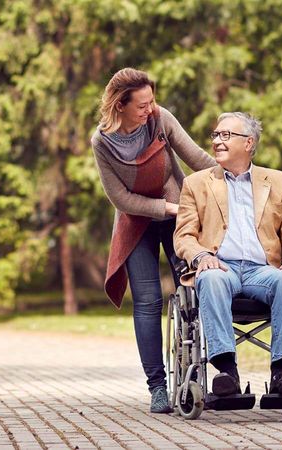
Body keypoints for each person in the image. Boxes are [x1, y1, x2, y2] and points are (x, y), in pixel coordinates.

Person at [91, 68, 215, 413]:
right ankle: (158, 388)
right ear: (120, 105)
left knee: (192, 290)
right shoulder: (102, 143)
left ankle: (201, 373)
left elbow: (197, 160)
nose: (150, 109)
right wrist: (168, 208)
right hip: (137, 220)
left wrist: (237, 178)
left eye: (151, 101)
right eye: (141, 105)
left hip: (177, 213)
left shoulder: (160, 119)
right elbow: (121, 199)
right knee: (147, 302)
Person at [173, 112, 282, 397]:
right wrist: (200, 257)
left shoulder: (280, 182)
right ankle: (226, 372)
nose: (217, 141)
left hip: (263, 270)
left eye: (226, 135)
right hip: (220, 267)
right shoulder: (196, 184)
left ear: (248, 143)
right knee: (210, 278)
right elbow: (184, 235)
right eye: (216, 135)